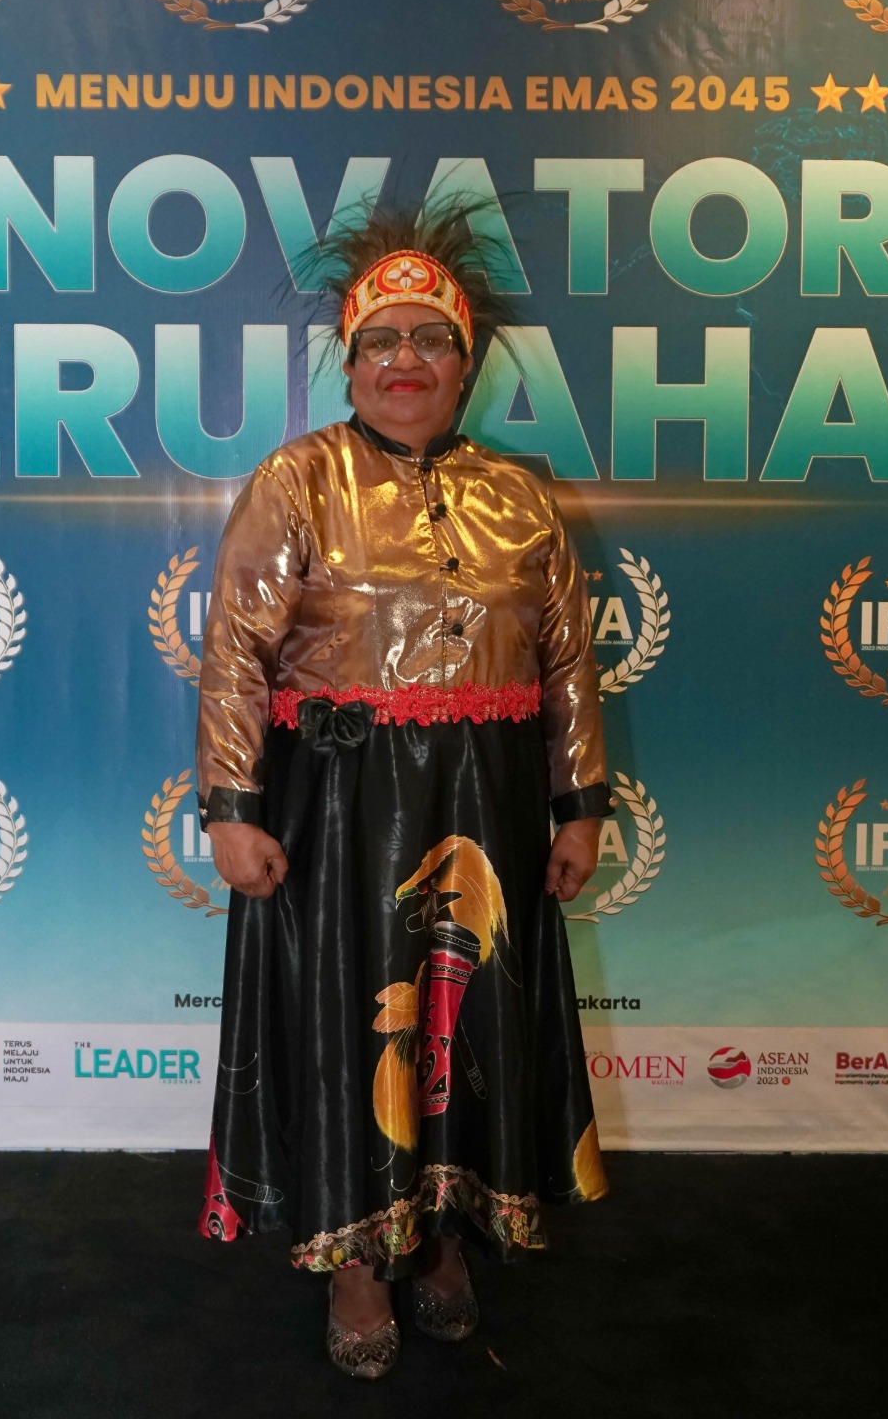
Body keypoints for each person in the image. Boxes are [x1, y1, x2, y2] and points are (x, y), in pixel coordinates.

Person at [195, 204, 611, 1379]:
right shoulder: (297, 480)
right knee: (354, 1029)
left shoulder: (519, 496)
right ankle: (358, 1262)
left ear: (464, 363)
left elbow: (566, 661)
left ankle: (443, 1238)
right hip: (339, 809)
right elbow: (235, 654)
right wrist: (232, 806)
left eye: (431, 338)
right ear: (350, 361)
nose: (404, 361)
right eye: (381, 340)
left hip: (487, 801)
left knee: (470, 1022)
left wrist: (578, 803)